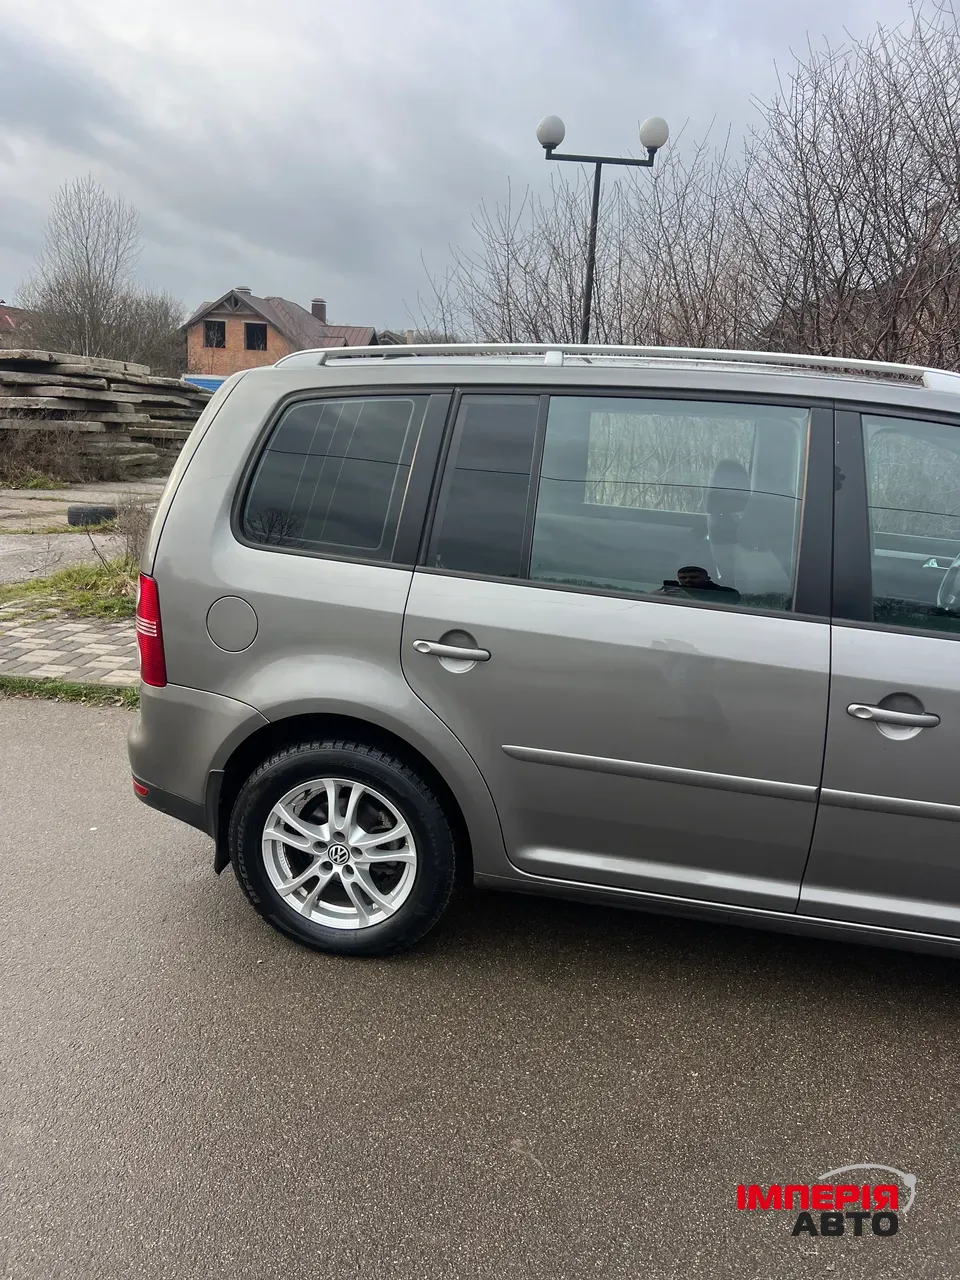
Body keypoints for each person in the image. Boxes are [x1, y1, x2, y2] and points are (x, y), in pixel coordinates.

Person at [659, 565, 741, 603]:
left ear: (707, 578)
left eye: (694, 577)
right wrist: (654, 595)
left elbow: (723, 609)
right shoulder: (674, 590)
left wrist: (689, 599)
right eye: (683, 578)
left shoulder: (726, 593)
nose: (688, 580)